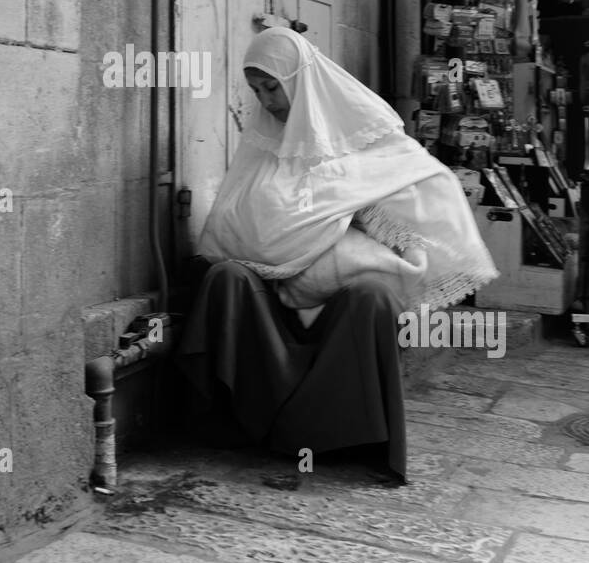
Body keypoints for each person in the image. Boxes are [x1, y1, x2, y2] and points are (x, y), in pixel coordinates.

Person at [174, 27, 499, 482]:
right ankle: (240, 425)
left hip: (339, 303)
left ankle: (343, 436)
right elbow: (236, 228)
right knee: (225, 279)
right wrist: (287, 245)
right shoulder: (264, 146)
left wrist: (351, 214)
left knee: (373, 297)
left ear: (300, 80)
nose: (267, 101)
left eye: (273, 87)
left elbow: (428, 191)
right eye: (256, 91)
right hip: (274, 297)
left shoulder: (367, 140)